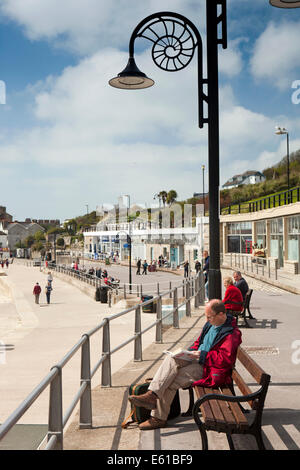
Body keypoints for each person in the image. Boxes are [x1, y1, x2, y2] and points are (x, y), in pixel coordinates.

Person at [128, 299, 242, 430]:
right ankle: (152, 395)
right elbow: (199, 342)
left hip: (210, 369)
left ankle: (158, 418)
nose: (207, 319)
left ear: (221, 314)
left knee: (170, 381)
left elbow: (225, 359)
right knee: (171, 358)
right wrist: (188, 352)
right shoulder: (210, 324)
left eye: (209, 317)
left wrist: (202, 355)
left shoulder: (232, 333)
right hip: (198, 359)